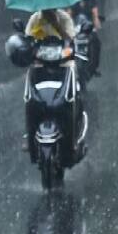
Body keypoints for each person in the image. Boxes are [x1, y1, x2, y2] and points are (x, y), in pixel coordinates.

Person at [21, 9, 77, 155]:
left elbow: (71, 40)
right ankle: (30, 135)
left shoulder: (64, 18)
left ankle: (74, 128)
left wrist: (56, 25)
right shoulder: (35, 19)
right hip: (40, 65)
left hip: (62, 64)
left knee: (73, 93)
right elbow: (27, 40)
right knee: (30, 100)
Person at [68, 0, 102, 75]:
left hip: (89, 27)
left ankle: (94, 67)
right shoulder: (72, 0)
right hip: (76, 28)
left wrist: (96, 22)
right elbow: (69, 14)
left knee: (97, 44)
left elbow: (95, 12)